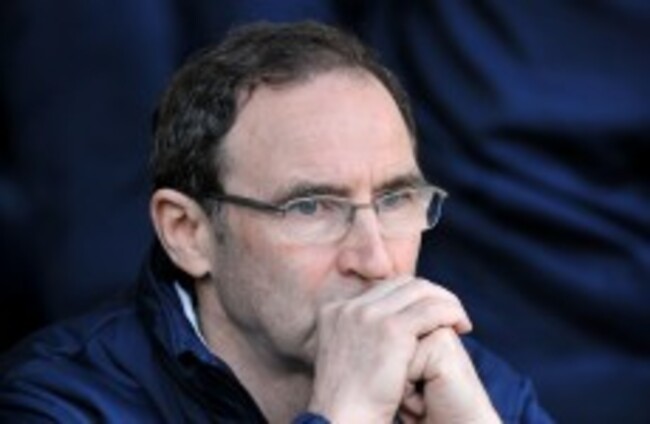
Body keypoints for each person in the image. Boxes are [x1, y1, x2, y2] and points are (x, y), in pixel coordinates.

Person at [0, 21, 552, 423]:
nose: (376, 259)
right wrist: (345, 416)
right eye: (311, 207)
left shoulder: (476, 386)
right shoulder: (60, 401)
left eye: (395, 199)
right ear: (187, 233)